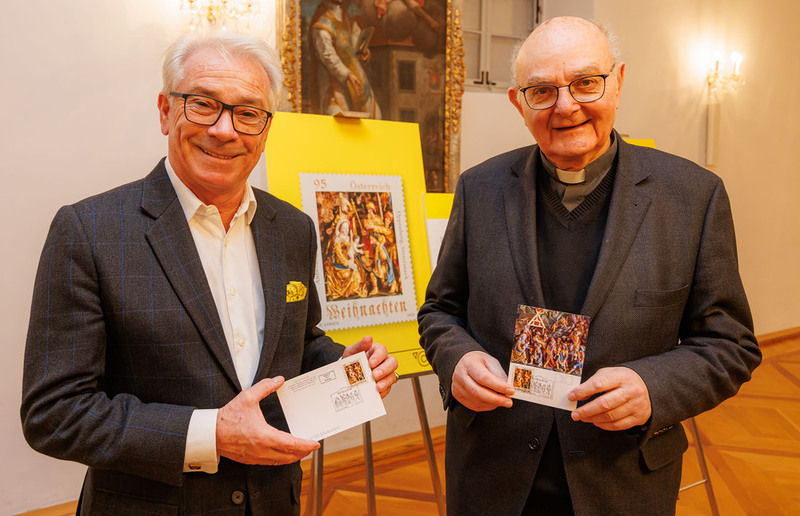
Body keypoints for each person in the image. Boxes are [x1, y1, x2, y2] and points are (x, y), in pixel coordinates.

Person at [21, 31, 398, 515]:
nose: (225, 129)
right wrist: (212, 435)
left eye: (248, 112)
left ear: (265, 129)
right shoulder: (89, 231)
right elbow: (53, 414)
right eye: (203, 104)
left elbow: (296, 344)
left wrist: (344, 368)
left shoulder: (294, 229)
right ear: (165, 111)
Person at [418, 16, 761, 515]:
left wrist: (652, 387)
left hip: (621, 479)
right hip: (492, 474)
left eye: (586, 83)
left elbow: (731, 345)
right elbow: (440, 311)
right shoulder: (479, 189)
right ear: (519, 103)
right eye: (542, 90)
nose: (565, 106)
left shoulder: (692, 198)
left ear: (618, 81)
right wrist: (456, 361)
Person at [309, 0, 381, 117]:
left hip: (356, 76)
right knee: (338, 116)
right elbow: (328, 56)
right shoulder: (322, 25)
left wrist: (362, 53)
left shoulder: (345, 17)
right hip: (334, 83)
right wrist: (347, 74)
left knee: (375, 115)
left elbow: (350, 48)